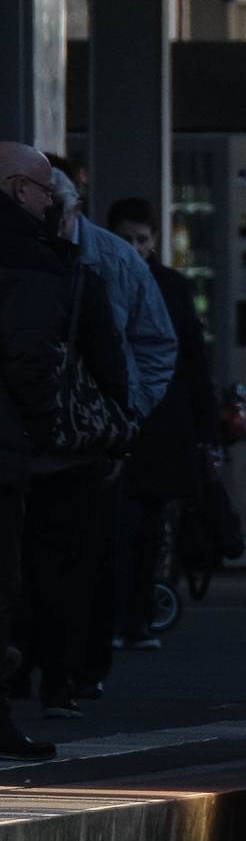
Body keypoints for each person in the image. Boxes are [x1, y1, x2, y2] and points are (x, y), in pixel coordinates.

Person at [0, 144, 126, 758]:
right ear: (20, 188)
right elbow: (30, 357)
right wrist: (50, 424)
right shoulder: (34, 260)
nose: (52, 202)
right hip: (18, 448)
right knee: (25, 575)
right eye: (46, 191)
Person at [42, 167, 170, 711]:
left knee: (84, 555)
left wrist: (126, 415)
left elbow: (152, 344)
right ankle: (59, 668)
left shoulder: (109, 261)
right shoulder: (96, 261)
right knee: (60, 556)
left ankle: (74, 667)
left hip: (90, 433)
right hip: (62, 430)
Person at [105, 198, 213, 651]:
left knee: (139, 527)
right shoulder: (169, 286)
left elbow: (192, 357)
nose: (135, 248)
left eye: (141, 240)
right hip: (158, 421)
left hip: (148, 424)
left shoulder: (107, 277)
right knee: (137, 526)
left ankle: (131, 617)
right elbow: (191, 355)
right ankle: (131, 618)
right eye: (129, 239)